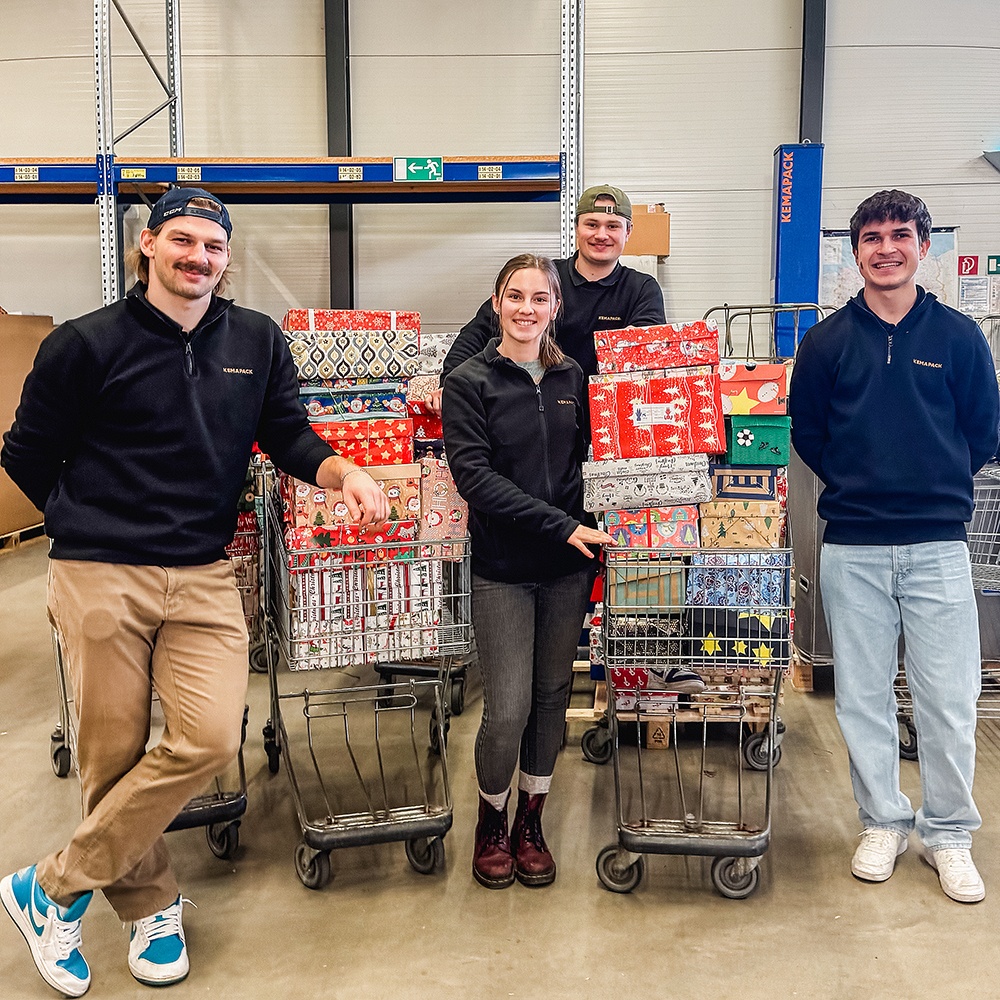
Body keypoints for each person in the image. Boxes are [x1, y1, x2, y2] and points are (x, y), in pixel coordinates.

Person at [0, 187, 388, 996]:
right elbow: (29, 454)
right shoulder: (84, 344)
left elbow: (286, 433)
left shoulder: (254, 339)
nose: (198, 257)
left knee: (210, 738)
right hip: (101, 571)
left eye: (212, 245)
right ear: (148, 246)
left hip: (205, 571)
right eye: (182, 240)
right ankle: (150, 908)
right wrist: (82, 526)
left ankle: (52, 886)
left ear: (226, 257)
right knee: (110, 753)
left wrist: (342, 468)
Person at [789, 189, 1000, 904]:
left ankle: (948, 833)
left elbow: (984, 431)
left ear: (923, 246)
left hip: (938, 544)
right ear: (855, 252)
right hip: (851, 545)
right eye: (872, 237)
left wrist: (930, 483)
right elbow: (808, 434)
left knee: (947, 700)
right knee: (863, 699)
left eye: (901, 235)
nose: (887, 248)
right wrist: (862, 481)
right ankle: (883, 820)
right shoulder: (824, 344)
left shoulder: (959, 338)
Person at [441, 254, 613, 890]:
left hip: (567, 570)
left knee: (549, 701)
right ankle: (491, 817)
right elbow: (475, 479)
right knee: (507, 706)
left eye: (540, 298)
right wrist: (561, 523)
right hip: (504, 568)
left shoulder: (575, 378)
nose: (526, 309)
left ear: (554, 308)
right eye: (515, 296)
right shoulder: (468, 382)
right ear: (495, 302)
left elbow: (597, 459)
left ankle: (531, 819)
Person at [425, 184, 665, 415]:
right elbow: (477, 333)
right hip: (532, 413)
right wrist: (450, 384)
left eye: (612, 226)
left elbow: (645, 354)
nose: (601, 235)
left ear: (628, 231)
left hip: (611, 418)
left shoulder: (642, 289)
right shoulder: (544, 279)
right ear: (576, 227)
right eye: (592, 224)